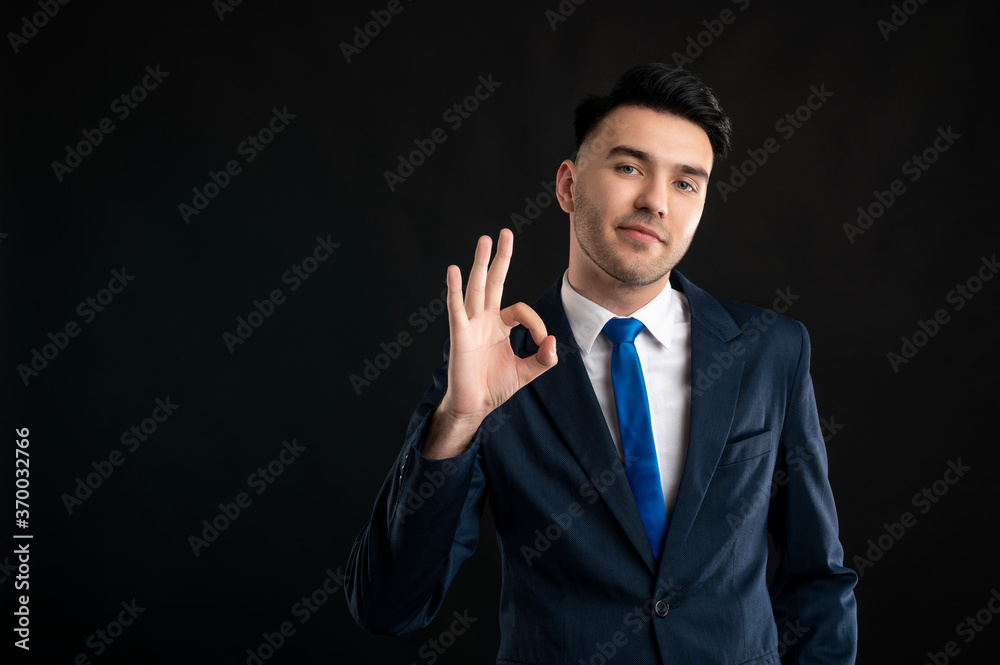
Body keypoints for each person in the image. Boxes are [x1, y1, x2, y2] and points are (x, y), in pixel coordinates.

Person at [346, 63, 858, 664]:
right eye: (629, 167)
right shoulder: (496, 361)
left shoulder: (772, 351)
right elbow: (387, 606)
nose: (655, 202)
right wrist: (456, 421)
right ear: (567, 186)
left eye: (686, 183)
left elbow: (817, 577)